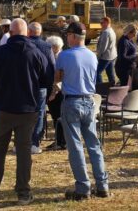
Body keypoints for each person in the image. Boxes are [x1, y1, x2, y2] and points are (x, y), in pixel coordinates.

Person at [0, 18, 50, 205]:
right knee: (24, 151)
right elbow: (46, 80)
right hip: (27, 109)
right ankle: (23, 193)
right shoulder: (36, 53)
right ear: (27, 33)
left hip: (3, 108)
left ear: (9, 33)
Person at [55, 22, 110, 200]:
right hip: (89, 101)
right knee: (93, 145)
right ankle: (102, 186)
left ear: (72, 36)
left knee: (75, 147)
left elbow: (57, 78)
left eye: (67, 35)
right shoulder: (92, 56)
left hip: (72, 102)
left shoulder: (64, 55)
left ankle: (83, 188)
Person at [28, 22, 56, 155]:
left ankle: (23, 141)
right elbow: (51, 67)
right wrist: (50, 87)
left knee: (24, 113)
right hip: (42, 86)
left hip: (25, 86)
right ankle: (35, 142)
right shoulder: (46, 46)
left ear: (29, 32)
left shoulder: (25, 44)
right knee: (39, 113)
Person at [45, 35, 67, 151]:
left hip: (57, 92)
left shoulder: (57, 58)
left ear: (54, 47)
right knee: (58, 117)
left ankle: (60, 141)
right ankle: (60, 140)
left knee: (57, 117)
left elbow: (59, 78)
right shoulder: (63, 56)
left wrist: (53, 93)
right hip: (62, 91)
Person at [96, 17, 117, 85]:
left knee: (97, 72)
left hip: (105, 57)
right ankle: (113, 87)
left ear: (107, 23)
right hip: (112, 55)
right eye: (100, 23)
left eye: (102, 23)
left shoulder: (106, 32)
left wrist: (98, 56)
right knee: (110, 73)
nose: (101, 24)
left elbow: (103, 47)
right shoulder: (111, 30)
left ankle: (100, 88)